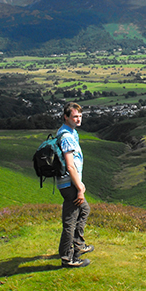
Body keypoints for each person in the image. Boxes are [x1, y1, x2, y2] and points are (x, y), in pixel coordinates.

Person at [57, 102, 93, 268]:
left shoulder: (71, 133)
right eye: (74, 116)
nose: (78, 119)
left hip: (71, 183)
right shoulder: (66, 137)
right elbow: (70, 165)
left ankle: (78, 245)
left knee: (84, 210)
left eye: (80, 116)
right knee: (70, 220)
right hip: (69, 184)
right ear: (66, 117)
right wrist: (79, 188)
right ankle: (67, 258)